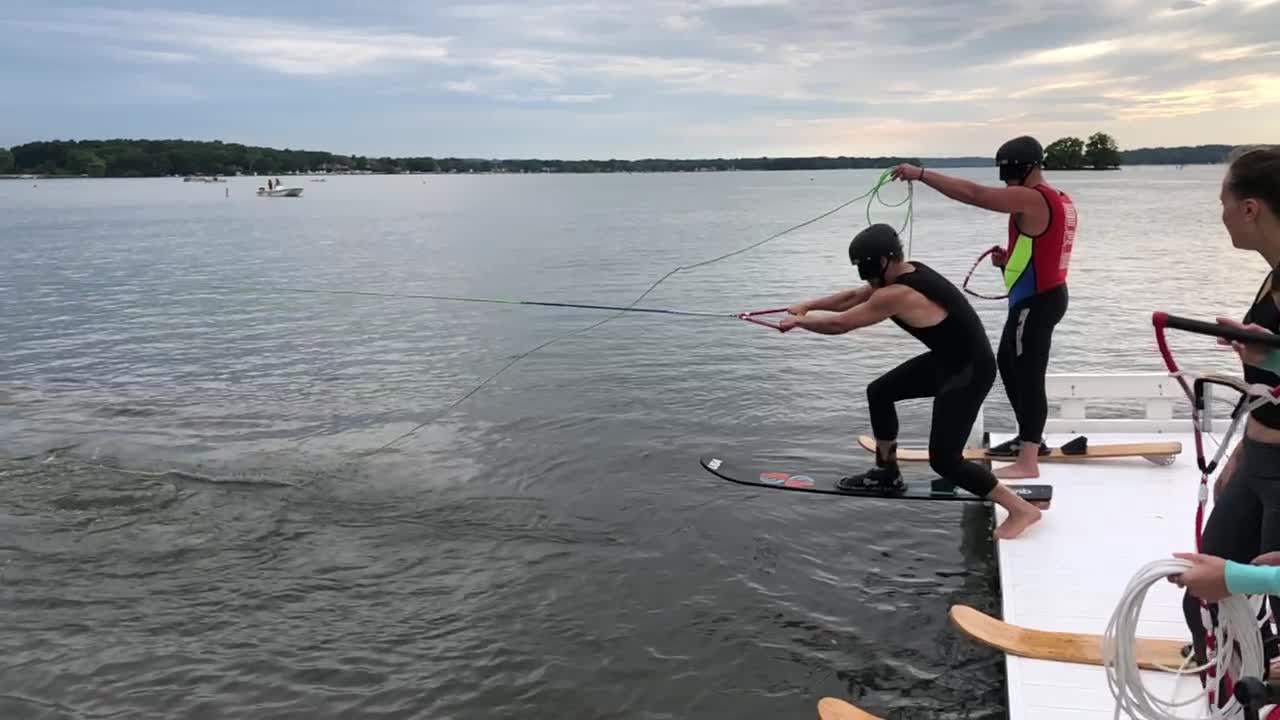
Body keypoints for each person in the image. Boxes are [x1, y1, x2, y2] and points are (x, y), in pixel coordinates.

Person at [779, 223, 1043, 540]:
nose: (863, 276)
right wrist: (808, 306)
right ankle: (887, 472)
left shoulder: (898, 293)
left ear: (880, 263)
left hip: (969, 370)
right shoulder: (907, 271)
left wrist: (800, 323)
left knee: (945, 461)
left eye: (864, 267)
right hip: (948, 360)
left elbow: (841, 325)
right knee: (880, 392)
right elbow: (852, 297)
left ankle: (1020, 509)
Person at [889, 136, 1077, 479]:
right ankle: (1028, 440)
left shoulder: (1033, 197)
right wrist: (1007, 263)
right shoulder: (1058, 200)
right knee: (1009, 364)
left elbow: (977, 195)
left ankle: (1029, 460)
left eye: (1009, 172)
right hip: (1038, 298)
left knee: (1028, 376)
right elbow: (1041, 252)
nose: (1005, 181)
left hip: (1036, 304)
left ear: (1028, 167)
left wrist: (921, 174)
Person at [1170, 146, 1280, 675]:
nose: (1221, 214)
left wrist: (1272, 354)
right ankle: (1237, 688)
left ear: (1251, 208)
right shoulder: (1273, 275)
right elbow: (1266, 385)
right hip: (1258, 458)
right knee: (1203, 592)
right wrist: (1242, 449)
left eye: (1224, 201)